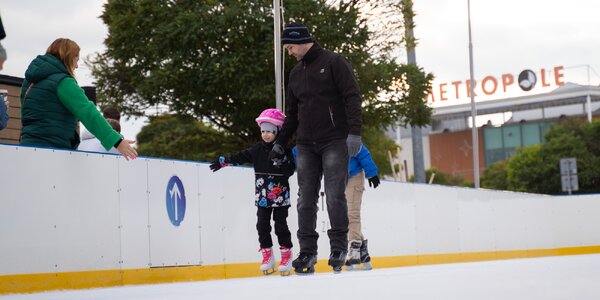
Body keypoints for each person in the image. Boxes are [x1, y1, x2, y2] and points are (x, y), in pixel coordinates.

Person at [270, 23, 363, 273]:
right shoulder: (296, 73)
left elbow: (352, 97)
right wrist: (280, 142)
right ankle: (308, 252)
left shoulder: (334, 62)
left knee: (334, 195)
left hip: (335, 139)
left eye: (289, 47)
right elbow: (292, 114)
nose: (289, 52)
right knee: (305, 199)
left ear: (301, 41)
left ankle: (338, 247)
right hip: (306, 144)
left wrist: (354, 133)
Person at [209, 108, 296, 276]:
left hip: (280, 198)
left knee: (280, 226)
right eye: (263, 131)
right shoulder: (257, 150)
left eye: (270, 131)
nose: (266, 134)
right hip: (262, 197)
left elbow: (291, 169)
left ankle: (286, 255)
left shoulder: (285, 149)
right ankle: (267, 255)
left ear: (277, 131)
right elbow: (240, 156)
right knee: (262, 225)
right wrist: (223, 161)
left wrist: (281, 162)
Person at [19, 38, 137, 160]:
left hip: (26, 147)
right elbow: (87, 112)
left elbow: (25, 113)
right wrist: (116, 141)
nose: (76, 66)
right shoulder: (63, 82)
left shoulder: (29, 82)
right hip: (53, 151)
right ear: (68, 57)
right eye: (76, 59)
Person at [344, 144, 379, 271]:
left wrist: (372, 173)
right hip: (337, 178)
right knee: (344, 216)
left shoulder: (348, 135)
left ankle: (354, 250)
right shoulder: (324, 132)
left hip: (354, 176)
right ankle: (363, 253)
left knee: (352, 213)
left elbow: (362, 152)